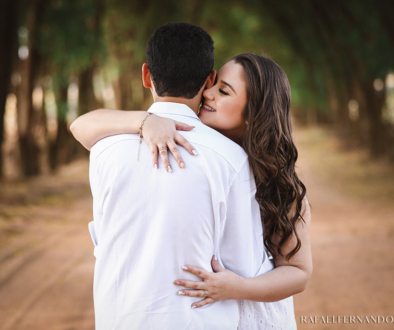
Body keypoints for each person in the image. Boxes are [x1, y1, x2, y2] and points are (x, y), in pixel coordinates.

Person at [71, 30, 312, 330]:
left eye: (224, 92)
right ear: (207, 79)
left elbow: (296, 271)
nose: (210, 95)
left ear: (254, 114)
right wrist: (145, 121)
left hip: (253, 311)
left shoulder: (272, 180)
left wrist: (237, 288)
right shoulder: (224, 158)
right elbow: (80, 125)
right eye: (215, 87)